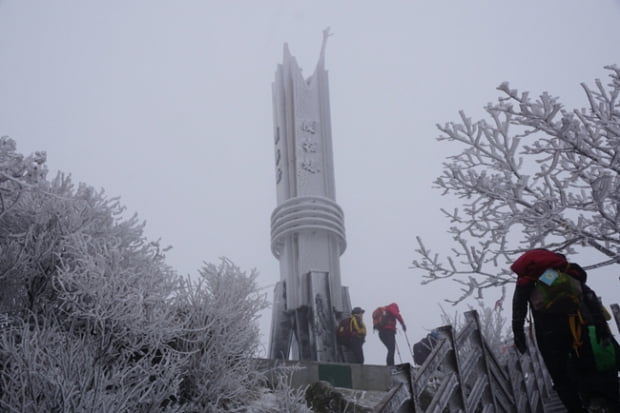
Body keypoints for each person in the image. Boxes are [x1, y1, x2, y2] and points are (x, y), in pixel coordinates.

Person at [511, 248, 618, 412]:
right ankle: (608, 401)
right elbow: (590, 296)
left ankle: (576, 408)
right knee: (595, 362)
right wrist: (601, 325)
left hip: (549, 335)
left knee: (561, 376)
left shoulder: (527, 280)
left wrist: (518, 334)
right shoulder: (565, 271)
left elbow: (518, 307)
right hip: (581, 324)